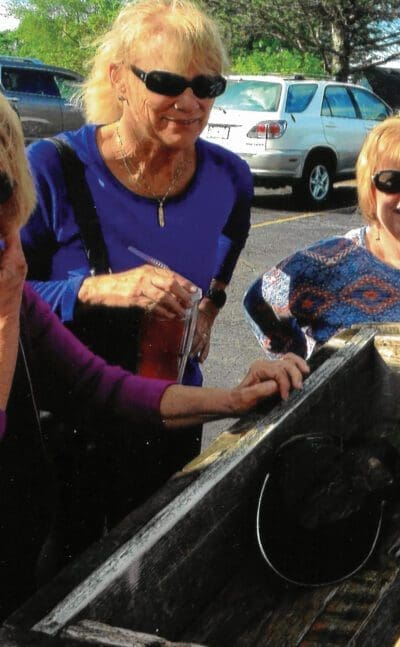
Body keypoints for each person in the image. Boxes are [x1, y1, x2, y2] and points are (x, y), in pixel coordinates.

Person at [0, 92, 308, 618]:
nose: (188, 101)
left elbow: (103, 388)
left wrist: (232, 400)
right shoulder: (13, 294)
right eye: (166, 83)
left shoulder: (18, 301)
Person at [19, 0, 249, 561]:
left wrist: (211, 307)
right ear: (119, 78)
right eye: (167, 82)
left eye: (206, 86)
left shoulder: (228, 176)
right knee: (60, 579)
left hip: (171, 414)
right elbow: (8, 295)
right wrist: (96, 288)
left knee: (154, 564)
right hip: (66, 427)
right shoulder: (51, 169)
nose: (190, 103)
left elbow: (231, 238)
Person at [244, 110, 400, 357]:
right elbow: (258, 298)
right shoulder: (328, 262)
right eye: (392, 181)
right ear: (371, 189)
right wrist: (298, 359)